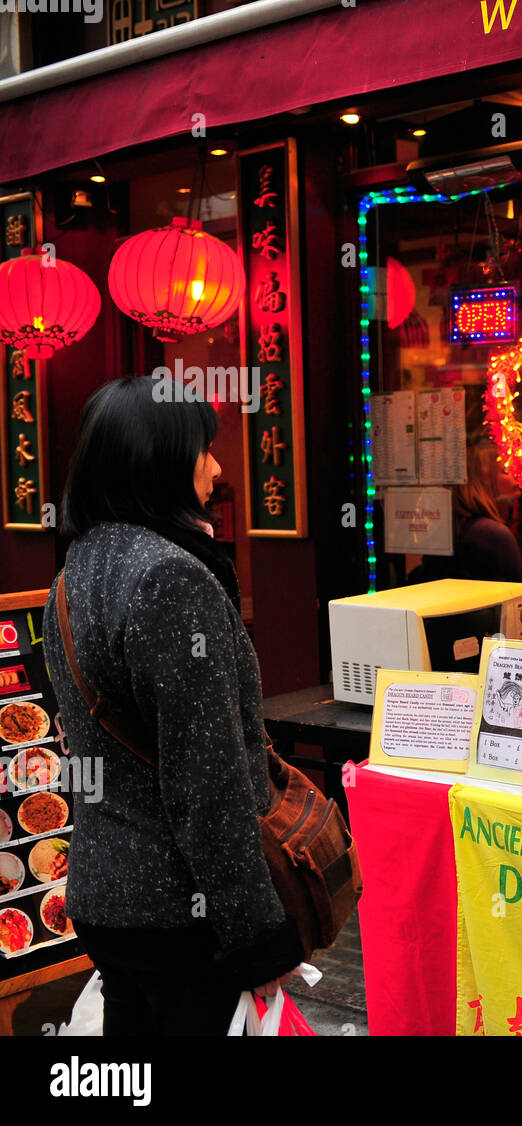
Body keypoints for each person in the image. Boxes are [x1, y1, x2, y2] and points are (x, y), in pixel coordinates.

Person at [43, 376, 302, 1035]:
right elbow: (205, 783)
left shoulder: (74, 573)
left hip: (106, 894)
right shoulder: (170, 577)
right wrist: (256, 937)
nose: (217, 469)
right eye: (203, 450)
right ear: (157, 459)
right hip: (177, 911)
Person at [407, 440, 522, 584]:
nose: (516, 479)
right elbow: (521, 601)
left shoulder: (450, 530)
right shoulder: (493, 534)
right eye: (505, 471)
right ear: (484, 480)